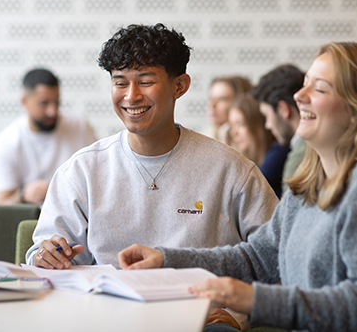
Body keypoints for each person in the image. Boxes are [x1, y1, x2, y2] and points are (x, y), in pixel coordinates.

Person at [119, 42, 357, 332]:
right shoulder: (309, 183)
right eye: (304, 86)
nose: (299, 97)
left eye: (320, 89)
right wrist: (167, 260)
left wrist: (253, 300)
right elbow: (258, 258)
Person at [26, 23, 279, 331]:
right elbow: (44, 260)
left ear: (179, 86)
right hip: (106, 320)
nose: (131, 96)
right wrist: (45, 257)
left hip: (201, 323)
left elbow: (278, 259)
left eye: (145, 82)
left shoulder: (231, 170)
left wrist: (239, 316)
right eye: (120, 83)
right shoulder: (81, 171)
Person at [0, 68, 97, 205]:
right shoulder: (5, 143)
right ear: (25, 101)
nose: (52, 111)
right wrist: (24, 194)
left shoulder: (79, 126)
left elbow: (99, 176)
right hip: (31, 220)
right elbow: (1, 204)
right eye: (44, 103)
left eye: (56, 102)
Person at [252, 64, 305, 193]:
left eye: (267, 116)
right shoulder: (297, 148)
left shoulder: (301, 156)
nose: (267, 125)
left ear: (283, 109)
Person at [228, 94, 290, 198]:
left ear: (258, 126)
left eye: (240, 124)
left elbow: (245, 192)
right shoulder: (255, 161)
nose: (233, 133)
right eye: (231, 126)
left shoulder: (278, 153)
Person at [207, 76, 252, 149]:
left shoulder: (247, 143)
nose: (212, 105)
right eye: (211, 98)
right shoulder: (205, 137)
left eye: (222, 99)